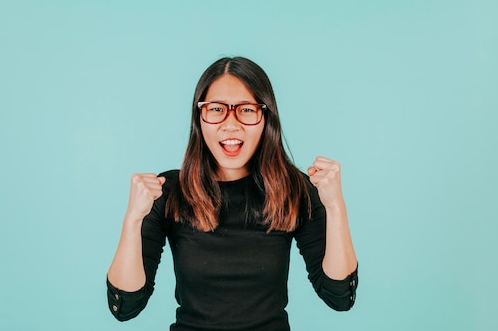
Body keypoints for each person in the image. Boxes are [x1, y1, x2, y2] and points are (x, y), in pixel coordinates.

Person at [106, 56, 358, 330]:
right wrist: (132, 220)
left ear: (266, 117)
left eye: (246, 110)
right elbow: (126, 306)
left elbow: (340, 296)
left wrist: (335, 208)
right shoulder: (167, 193)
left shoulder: (294, 189)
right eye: (216, 109)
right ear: (199, 118)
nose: (230, 124)